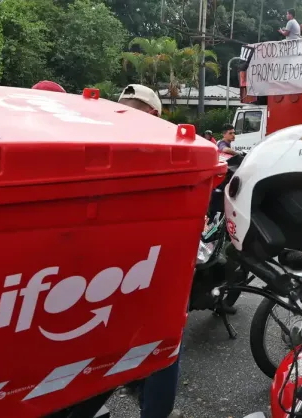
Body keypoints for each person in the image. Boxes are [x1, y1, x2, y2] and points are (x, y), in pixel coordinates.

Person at [116, 84, 182, 418]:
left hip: (107, 267)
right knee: (163, 341)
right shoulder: (170, 148)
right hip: (156, 263)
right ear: (155, 114)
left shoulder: (100, 142)